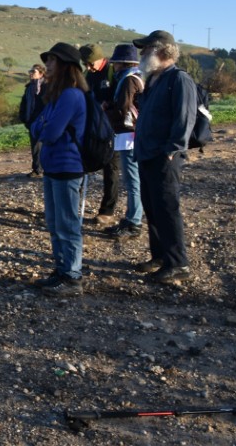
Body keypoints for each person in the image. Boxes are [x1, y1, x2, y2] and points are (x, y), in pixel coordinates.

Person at [132, 30, 197, 284]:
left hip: (164, 157)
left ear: (161, 51)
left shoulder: (179, 79)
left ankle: (178, 263)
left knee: (167, 209)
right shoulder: (155, 79)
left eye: (146, 49)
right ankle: (159, 257)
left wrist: (172, 149)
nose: (142, 53)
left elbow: (185, 118)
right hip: (147, 155)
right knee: (152, 208)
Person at [30, 43, 88, 296]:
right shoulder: (57, 95)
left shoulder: (71, 95)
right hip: (54, 165)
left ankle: (73, 275)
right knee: (55, 222)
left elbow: (49, 132)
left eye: (53, 60)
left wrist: (43, 128)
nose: (48, 65)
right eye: (48, 60)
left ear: (66, 65)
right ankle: (62, 269)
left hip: (67, 165)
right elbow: (36, 127)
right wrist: (43, 128)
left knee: (66, 223)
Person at [102, 44, 145, 239]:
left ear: (122, 63)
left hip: (129, 135)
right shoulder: (137, 77)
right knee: (132, 179)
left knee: (133, 179)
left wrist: (106, 110)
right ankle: (131, 217)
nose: (114, 66)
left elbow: (123, 109)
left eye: (116, 62)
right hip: (132, 133)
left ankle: (134, 221)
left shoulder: (128, 81)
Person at [80, 44, 120, 227]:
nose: (89, 67)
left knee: (111, 170)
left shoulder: (113, 71)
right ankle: (74, 204)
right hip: (93, 129)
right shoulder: (89, 74)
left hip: (112, 130)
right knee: (82, 165)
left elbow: (124, 97)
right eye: (85, 64)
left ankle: (107, 211)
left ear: (100, 57)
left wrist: (108, 105)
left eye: (90, 63)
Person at [18, 64, 46, 177]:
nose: (30, 73)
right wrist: (24, 119)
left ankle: (44, 169)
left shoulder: (47, 87)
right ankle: (37, 169)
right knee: (35, 146)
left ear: (41, 74)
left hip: (44, 121)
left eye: (33, 72)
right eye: (30, 71)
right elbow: (24, 104)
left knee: (44, 145)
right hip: (32, 121)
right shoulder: (29, 88)